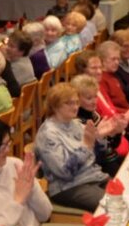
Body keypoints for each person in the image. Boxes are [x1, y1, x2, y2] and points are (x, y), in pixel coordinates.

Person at [35, 83, 110, 211]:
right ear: (55, 105)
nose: (75, 107)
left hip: (93, 177)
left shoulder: (75, 124)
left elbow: (97, 156)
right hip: (68, 187)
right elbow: (64, 172)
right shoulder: (48, 134)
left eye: (76, 102)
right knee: (114, 205)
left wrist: (108, 134)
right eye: (69, 103)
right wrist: (86, 145)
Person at [73, 74, 128, 175]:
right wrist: (98, 137)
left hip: (110, 159)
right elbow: (90, 158)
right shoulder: (77, 122)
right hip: (97, 168)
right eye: (89, 98)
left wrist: (117, 132)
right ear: (77, 99)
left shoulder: (94, 114)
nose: (94, 102)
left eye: (95, 97)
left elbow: (113, 145)